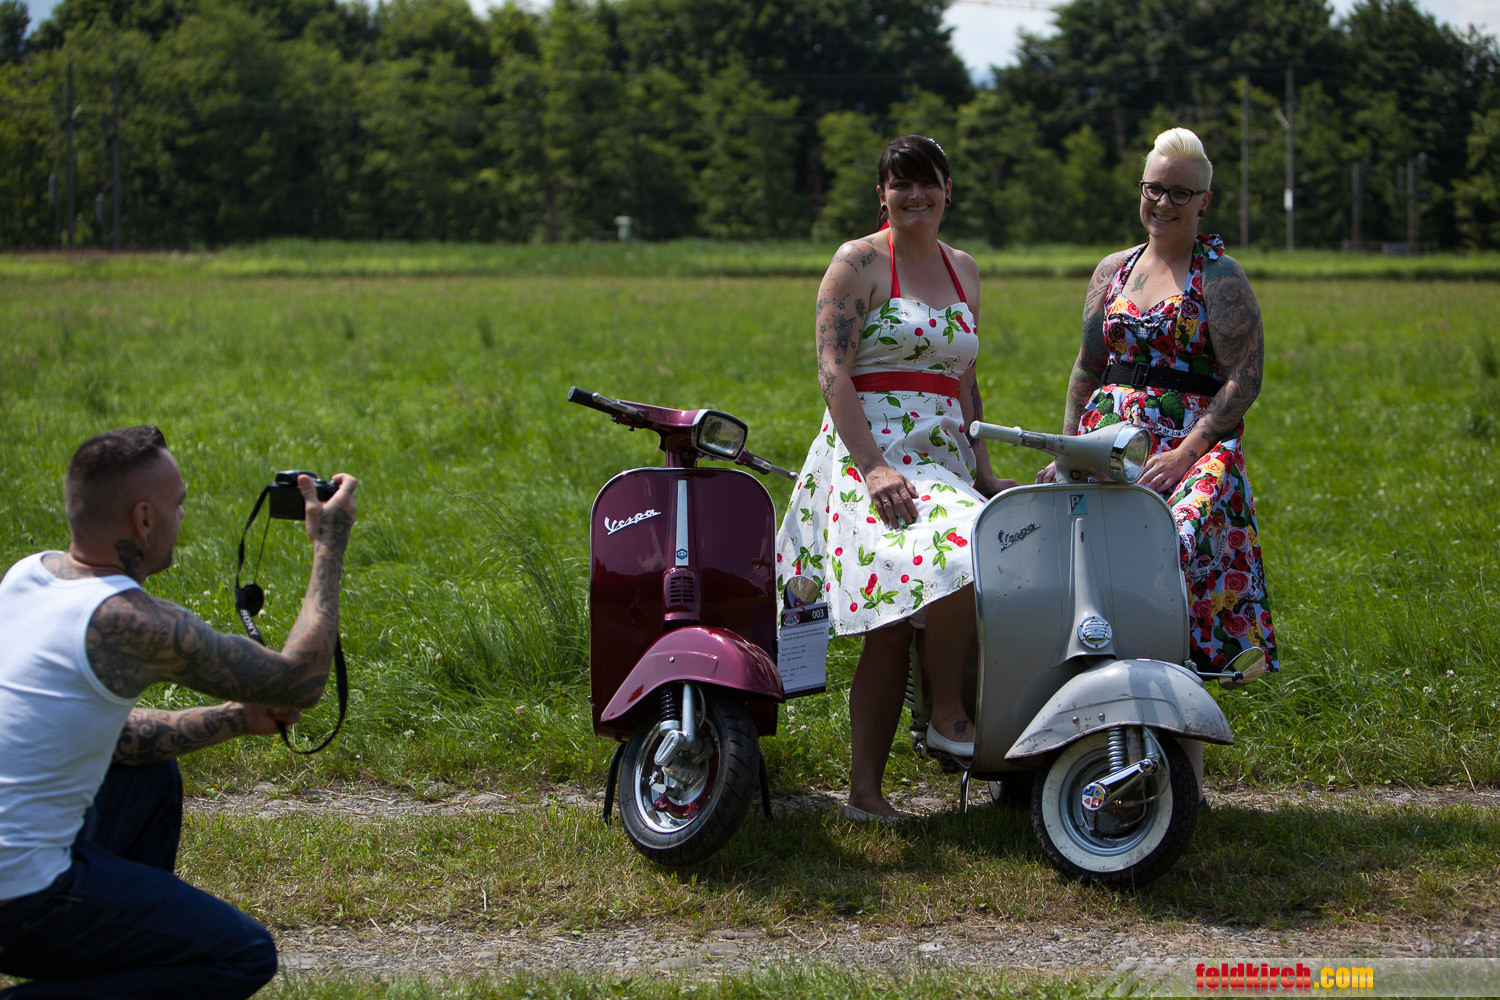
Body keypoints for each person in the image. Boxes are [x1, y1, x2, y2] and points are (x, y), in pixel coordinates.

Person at [0, 425, 357, 998]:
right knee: (239, 954)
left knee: (149, 774)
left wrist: (236, 717)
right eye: (179, 503)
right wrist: (329, 545)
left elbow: (114, 741)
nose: (183, 515)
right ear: (144, 520)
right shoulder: (128, 621)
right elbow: (300, 680)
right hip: (20, 893)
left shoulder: (28, 575)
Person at [777, 135, 1017, 821]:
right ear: (881, 195)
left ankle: (927, 750)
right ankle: (939, 722)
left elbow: (965, 379)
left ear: (948, 190)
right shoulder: (858, 261)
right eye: (899, 183)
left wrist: (985, 471)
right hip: (870, 455)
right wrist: (874, 467)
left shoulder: (964, 269)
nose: (915, 195)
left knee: (968, 562)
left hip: (943, 457)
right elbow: (833, 371)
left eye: (927, 181)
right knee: (944, 567)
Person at [1038, 127, 1280, 782]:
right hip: (1107, 440)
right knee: (1069, 563)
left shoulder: (1220, 276)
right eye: (1155, 188)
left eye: (1180, 192)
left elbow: (1245, 378)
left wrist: (1186, 453)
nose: (1164, 203)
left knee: (1166, 558)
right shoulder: (1111, 271)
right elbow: (1087, 365)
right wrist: (1068, 447)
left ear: (1204, 201)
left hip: (1190, 448)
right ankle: (1069, 738)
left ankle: (1180, 759)